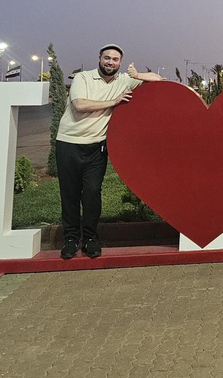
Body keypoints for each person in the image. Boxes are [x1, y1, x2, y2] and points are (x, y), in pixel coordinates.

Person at [55, 44, 162, 259]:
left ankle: (91, 238)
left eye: (115, 59)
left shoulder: (123, 80)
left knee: (93, 193)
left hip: (97, 146)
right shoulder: (83, 78)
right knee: (70, 194)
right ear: (99, 59)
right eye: (107, 58)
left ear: (120, 63)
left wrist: (138, 74)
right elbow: (80, 105)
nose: (110, 62)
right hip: (69, 143)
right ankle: (70, 239)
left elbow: (159, 80)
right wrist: (114, 101)